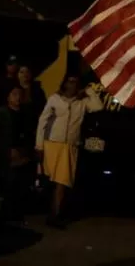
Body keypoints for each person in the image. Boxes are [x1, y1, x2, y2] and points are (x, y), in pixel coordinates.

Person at [35, 75, 103, 227]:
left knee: (62, 182)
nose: (73, 85)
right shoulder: (55, 99)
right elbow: (42, 121)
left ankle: (55, 215)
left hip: (70, 146)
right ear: (64, 83)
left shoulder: (82, 101)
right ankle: (53, 213)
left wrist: (88, 90)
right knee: (52, 182)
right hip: (52, 143)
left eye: (76, 82)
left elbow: (98, 106)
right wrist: (39, 145)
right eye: (70, 81)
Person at [0, 87, 36, 220]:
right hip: (9, 152)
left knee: (22, 184)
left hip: (23, 151)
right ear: (8, 96)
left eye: (20, 94)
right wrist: (8, 150)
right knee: (10, 184)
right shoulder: (3, 112)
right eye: (14, 94)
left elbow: (29, 132)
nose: (17, 97)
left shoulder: (25, 112)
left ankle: (18, 212)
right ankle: (8, 213)